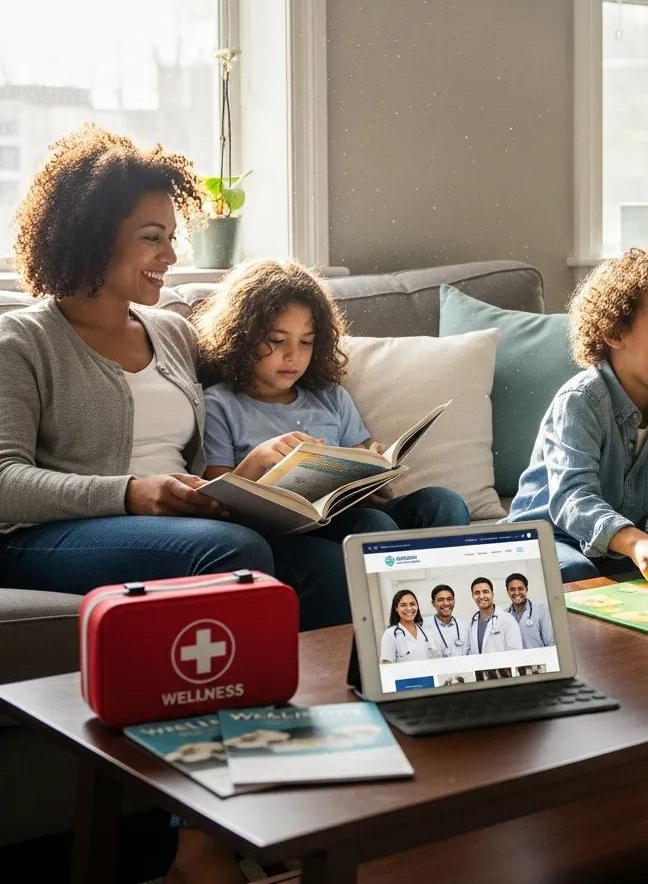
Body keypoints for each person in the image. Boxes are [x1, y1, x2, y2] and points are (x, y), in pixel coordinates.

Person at [0, 125, 277, 884]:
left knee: (322, 559)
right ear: (92, 236)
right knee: (238, 559)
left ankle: (307, 809)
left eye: (172, 236)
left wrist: (245, 477)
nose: (169, 255)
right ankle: (200, 839)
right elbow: (2, 481)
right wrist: (127, 493)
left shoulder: (171, 331)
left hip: (174, 526)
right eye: (152, 237)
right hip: (52, 534)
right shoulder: (21, 341)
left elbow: (187, 461)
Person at [193, 259, 471, 626]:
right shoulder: (221, 403)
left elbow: (363, 459)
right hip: (281, 531)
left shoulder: (330, 396)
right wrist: (260, 459)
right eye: (277, 341)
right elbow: (218, 497)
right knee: (374, 527)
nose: (293, 356)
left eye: (306, 342)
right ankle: (393, 629)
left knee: (443, 503)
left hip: (345, 512)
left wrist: (374, 469)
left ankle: (453, 622)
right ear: (242, 336)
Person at [504, 243, 648, 585]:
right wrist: (637, 542)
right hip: (548, 540)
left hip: (618, 545)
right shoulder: (580, 401)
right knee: (576, 573)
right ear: (614, 332)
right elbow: (573, 498)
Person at [466, 577, 523, 654]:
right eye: (477, 593)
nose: (481, 596)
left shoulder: (507, 619)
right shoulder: (472, 624)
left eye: (485, 592)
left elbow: (516, 652)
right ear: (472, 596)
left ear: (492, 594)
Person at [379, 589, 436, 663]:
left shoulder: (426, 632)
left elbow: (436, 659)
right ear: (396, 608)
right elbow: (386, 664)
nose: (409, 608)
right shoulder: (390, 634)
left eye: (412, 604)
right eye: (403, 605)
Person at [505, 572, 554, 648]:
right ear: (508, 592)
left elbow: (550, 643)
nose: (516, 593)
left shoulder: (541, 611)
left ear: (526, 590)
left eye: (520, 589)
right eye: (512, 589)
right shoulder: (504, 615)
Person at [424, 583, 468, 657]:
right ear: (433, 603)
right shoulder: (424, 626)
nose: (446, 603)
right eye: (441, 600)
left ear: (454, 601)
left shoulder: (465, 626)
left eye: (449, 599)